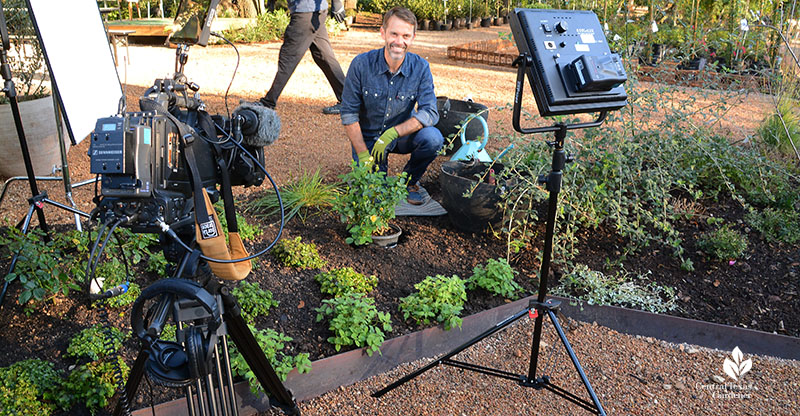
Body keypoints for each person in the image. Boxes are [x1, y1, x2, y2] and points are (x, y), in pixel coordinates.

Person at [339, 6, 443, 206]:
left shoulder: (420, 67)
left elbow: (430, 112)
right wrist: (362, 153)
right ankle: (375, 175)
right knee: (372, 197)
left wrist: (393, 133)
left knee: (433, 138)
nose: (399, 41)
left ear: (412, 38)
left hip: (402, 136)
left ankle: (409, 182)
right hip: (368, 138)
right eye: (394, 34)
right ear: (383, 33)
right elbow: (349, 113)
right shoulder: (361, 65)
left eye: (405, 35)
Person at [257, 0, 347, 114]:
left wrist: (337, 3)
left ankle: (268, 103)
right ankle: (348, 101)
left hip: (306, 13)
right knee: (324, 57)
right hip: (314, 12)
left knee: (288, 57)